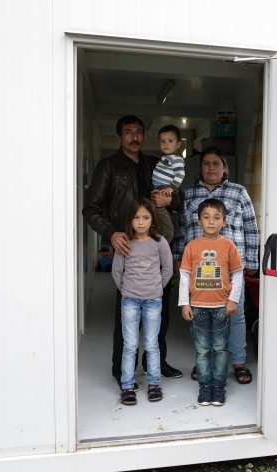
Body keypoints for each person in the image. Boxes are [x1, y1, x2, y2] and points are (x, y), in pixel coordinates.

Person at [82, 115, 183, 389]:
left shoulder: (156, 163)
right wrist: (112, 233)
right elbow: (90, 208)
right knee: (125, 314)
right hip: (127, 248)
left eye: (138, 132)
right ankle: (121, 371)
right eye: (128, 132)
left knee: (160, 313)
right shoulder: (108, 167)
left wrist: (171, 199)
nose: (134, 137)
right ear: (119, 137)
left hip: (156, 246)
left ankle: (156, 364)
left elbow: (178, 196)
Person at [173, 147, 258, 385]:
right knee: (203, 316)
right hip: (200, 269)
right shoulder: (188, 194)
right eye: (206, 163)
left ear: (224, 167)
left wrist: (252, 260)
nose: (211, 167)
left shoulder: (238, 192)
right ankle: (204, 361)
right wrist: (178, 258)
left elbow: (251, 226)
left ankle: (238, 362)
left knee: (236, 315)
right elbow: (181, 230)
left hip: (231, 267)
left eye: (216, 163)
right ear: (200, 168)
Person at [179, 198, 244, 406]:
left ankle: (218, 387)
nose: (211, 221)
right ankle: (205, 387)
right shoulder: (191, 247)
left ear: (224, 222)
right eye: (206, 217)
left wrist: (233, 299)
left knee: (220, 349)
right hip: (198, 307)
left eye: (216, 217)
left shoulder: (229, 246)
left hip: (221, 307)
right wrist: (185, 303)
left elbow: (238, 274)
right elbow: (184, 276)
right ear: (199, 221)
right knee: (202, 350)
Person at [112, 199, 173, 405]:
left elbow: (167, 269)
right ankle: (127, 386)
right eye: (136, 217)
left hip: (153, 301)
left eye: (145, 217)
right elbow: (117, 271)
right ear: (129, 220)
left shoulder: (160, 242)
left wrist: (157, 288)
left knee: (151, 344)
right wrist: (127, 289)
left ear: (152, 220)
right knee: (129, 345)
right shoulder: (125, 243)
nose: (140, 222)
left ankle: (154, 384)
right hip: (129, 300)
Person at [152, 124, 185, 243]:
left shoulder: (176, 159)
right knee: (169, 214)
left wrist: (171, 188)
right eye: (163, 141)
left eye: (170, 141)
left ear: (178, 144)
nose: (166, 144)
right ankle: (175, 233)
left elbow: (180, 174)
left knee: (161, 213)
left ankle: (165, 240)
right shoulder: (166, 157)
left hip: (166, 189)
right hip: (162, 188)